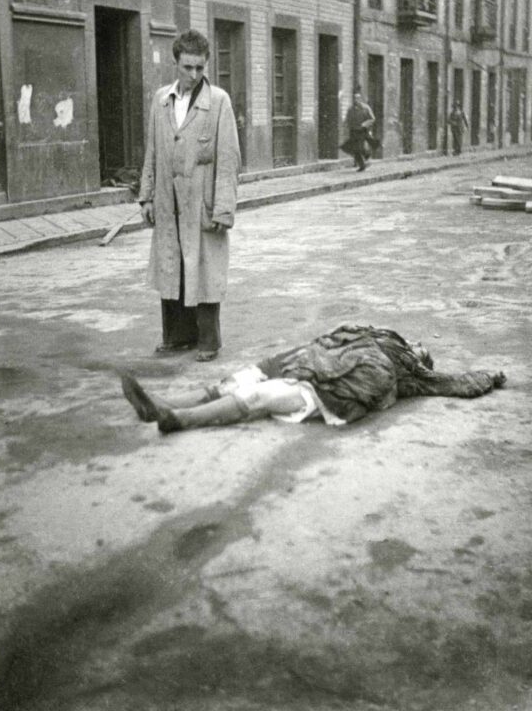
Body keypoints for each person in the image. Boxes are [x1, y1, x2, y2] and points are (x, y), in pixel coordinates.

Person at [121, 324, 506, 433]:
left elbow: (457, 383)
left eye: (423, 351)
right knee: (235, 380)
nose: (419, 346)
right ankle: (161, 404)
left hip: (324, 392)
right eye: (419, 344)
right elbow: (326, 340)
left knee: (259, 396)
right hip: (303, 364)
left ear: (422, 361)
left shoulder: (410, 374)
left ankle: (177, 420)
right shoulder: (372, 334)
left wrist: (491, 375)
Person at [139, 29, 241, 361]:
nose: (194, 75)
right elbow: (152, 150)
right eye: (188, 68)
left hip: (202, 200)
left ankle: (208, 341)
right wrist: (147, 196)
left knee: (205, 268)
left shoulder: (219, 102)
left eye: (200, 68)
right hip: (169, 200)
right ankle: (176, 337)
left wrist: (223, 210)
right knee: (172, 265)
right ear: (176, 63)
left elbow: (228, 159)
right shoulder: (160, 100)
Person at [341, 88, 378, 171]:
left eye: (357, 98)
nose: (356, 100)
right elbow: (347, 119)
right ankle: (362, 165)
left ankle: (367, 154)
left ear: (360, 99)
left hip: (362, 131)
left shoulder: (366, 108)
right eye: (354, 98)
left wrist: (364, 124)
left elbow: (372, 119)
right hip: (353, 131)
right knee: (355, 149)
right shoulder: (351, 109)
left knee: (359, 148)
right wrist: (346, 126)